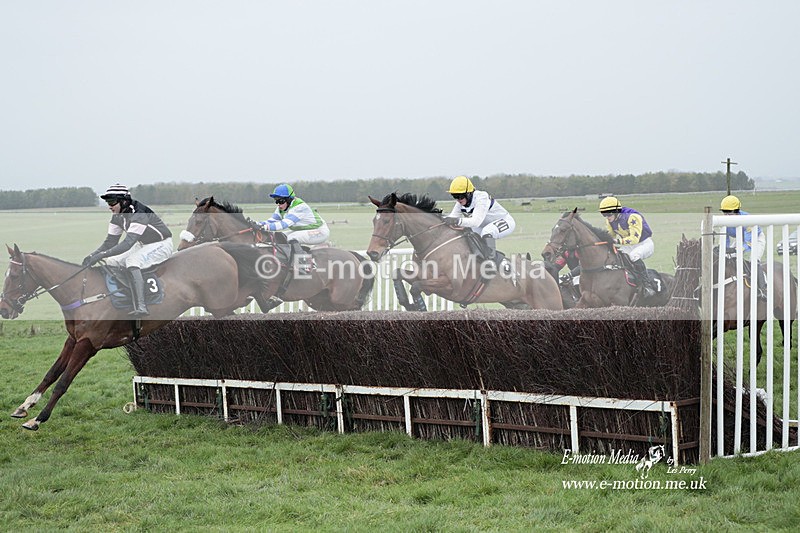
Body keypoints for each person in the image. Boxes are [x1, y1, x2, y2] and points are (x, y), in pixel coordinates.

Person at [82, 184, 174, 317]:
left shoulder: (139, 213)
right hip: (142, 244)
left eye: (112, 202)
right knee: (111, 261)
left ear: (124, 201)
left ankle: (141, 305)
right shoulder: (117, 216)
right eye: (108, 202)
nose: (109, 206)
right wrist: (93, 255)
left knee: (133, 261)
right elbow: (110, 242)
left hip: (162, 244)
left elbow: (127, 244)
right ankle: (125, 295)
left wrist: (101, 255)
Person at [443, 175, 516, 261]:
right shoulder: (460, 203)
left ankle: (492, 261)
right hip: (483, 225)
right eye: (455, 196)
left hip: (504, 221)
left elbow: (475, 222)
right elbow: (452, 217)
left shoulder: (482, 197)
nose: (458, 200)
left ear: (469, 193)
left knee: (487, 232)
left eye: (460, 196)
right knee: (469, 236)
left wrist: (456, 221)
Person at [598, 196, 656, 298]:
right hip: (629, 245)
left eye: (608, 214)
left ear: (616, 211)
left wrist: (617, 241)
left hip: (644, 243)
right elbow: (611, 236)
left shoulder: (632, 216)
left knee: (634, 255)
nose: (607, 217)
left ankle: (647, 285)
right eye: (604, 214)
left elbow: (634, 239)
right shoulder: (610, 221)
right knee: (617, 255)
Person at [259, 184, 330, 246]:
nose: (278, 204)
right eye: (276, 201)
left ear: (289, 199)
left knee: (292, 237)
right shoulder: (281, 208)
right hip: (305, 231)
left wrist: (264, 227)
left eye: (280, 201)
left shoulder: (300, 207)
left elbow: (284, 224)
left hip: (320, 231)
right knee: (279, 237)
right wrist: (256, 224)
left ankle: (301, 260)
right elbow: (271, 221)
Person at [720, 195, 765, 260]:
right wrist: (725, 250)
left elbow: (748, 242)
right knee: (729, 259)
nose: (727, 216)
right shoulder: (724, 222)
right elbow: (725, 239)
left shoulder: (747, 219)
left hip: (756, 238)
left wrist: (739, 249)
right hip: (740, 238)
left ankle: (759, 269)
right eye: (725, 213)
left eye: (730, 213)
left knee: (754, 261)